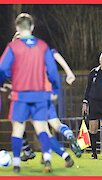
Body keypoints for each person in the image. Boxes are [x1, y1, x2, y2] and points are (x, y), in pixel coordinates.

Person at [0, 13, 60, 173]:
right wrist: (55, 88)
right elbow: (53, 70)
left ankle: (17, 163)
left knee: (18, 129)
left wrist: (1, 82)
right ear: (32, 27)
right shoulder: (42, 46)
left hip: (20, 96)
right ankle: (47, 159)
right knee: (41, 128)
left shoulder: (13, 47)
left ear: (17, 28)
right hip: (40, 95)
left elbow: (1, 68)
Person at [10, 32, 82, 165]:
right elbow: (54, 53)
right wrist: (69, 72)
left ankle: (62, 157)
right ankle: (67, 136)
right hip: (46, 94)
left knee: (42, 132)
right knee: (56, 124)